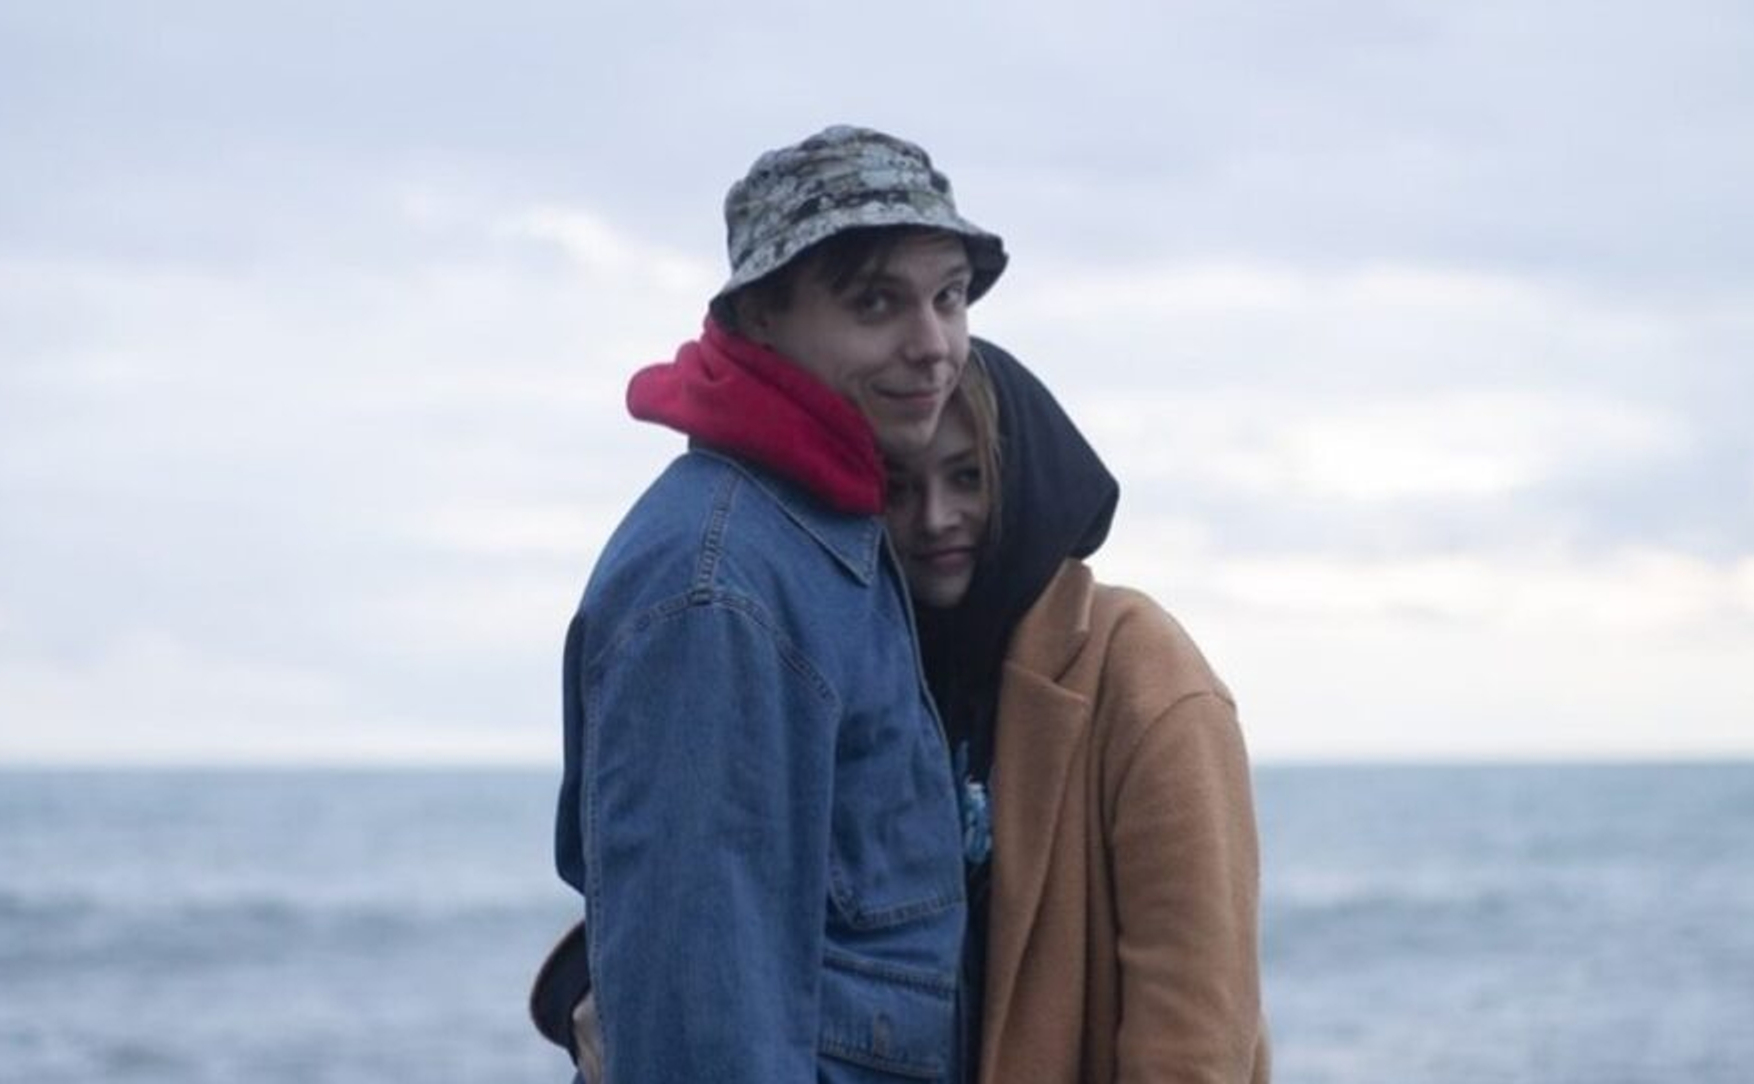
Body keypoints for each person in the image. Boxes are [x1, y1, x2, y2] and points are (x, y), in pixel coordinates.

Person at [546, 125, 1007, 1082]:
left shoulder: (822, 537)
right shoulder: (720, 588)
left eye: (950, 297)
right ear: (761, 316)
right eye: (875, 302)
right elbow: (701, 1035)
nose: (933, 347)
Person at [885, 347, 1271, 1083]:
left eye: (967, 477)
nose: (934, 517)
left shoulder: (1138, 666)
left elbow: (1193, 1037)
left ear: (1020, 475)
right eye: (898, 487)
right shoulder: (869, 673)